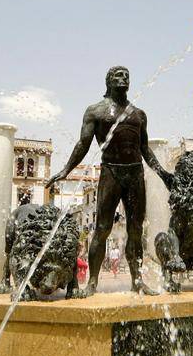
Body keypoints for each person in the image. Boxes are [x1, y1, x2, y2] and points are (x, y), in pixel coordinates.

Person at [46, 66, 173, 297]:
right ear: (108, 81)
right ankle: (92, 282)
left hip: (135, 174)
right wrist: (66, 169)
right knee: (102, 229)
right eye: (118, 75)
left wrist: (162, 173)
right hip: (110, 173)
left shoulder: (138, 114)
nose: (123, 78)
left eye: (126, 75)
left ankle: (137, 280)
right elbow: (83, 144)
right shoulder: (95, 111)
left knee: (136, 230)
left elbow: (144, 148)